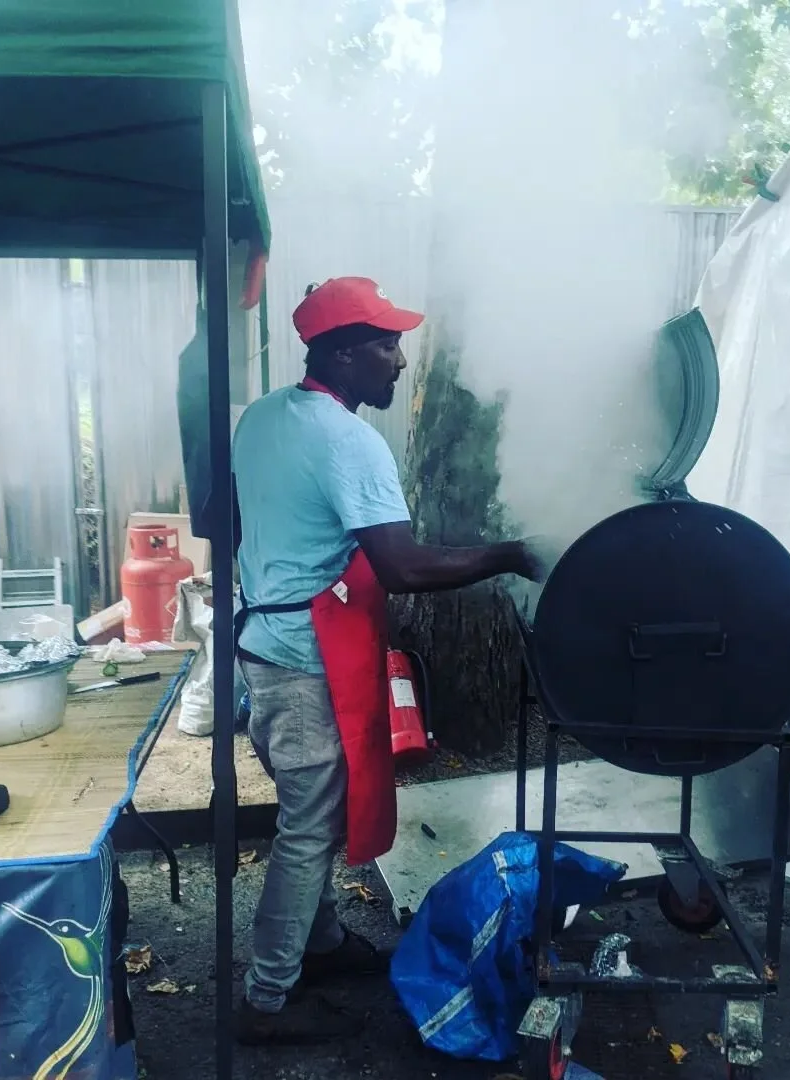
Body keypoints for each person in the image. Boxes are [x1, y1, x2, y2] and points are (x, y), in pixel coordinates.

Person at [231, 276, 543, 1045]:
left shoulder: (264, 417)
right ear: (340, 354)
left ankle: (324, 943)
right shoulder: (347, 440)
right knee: (308, 829)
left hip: (262, 648)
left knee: (314, 814)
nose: (400, 363)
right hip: (305, 660)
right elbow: (403, 566)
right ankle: (267, 1000)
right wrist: (510, 554)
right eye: (385, 344)